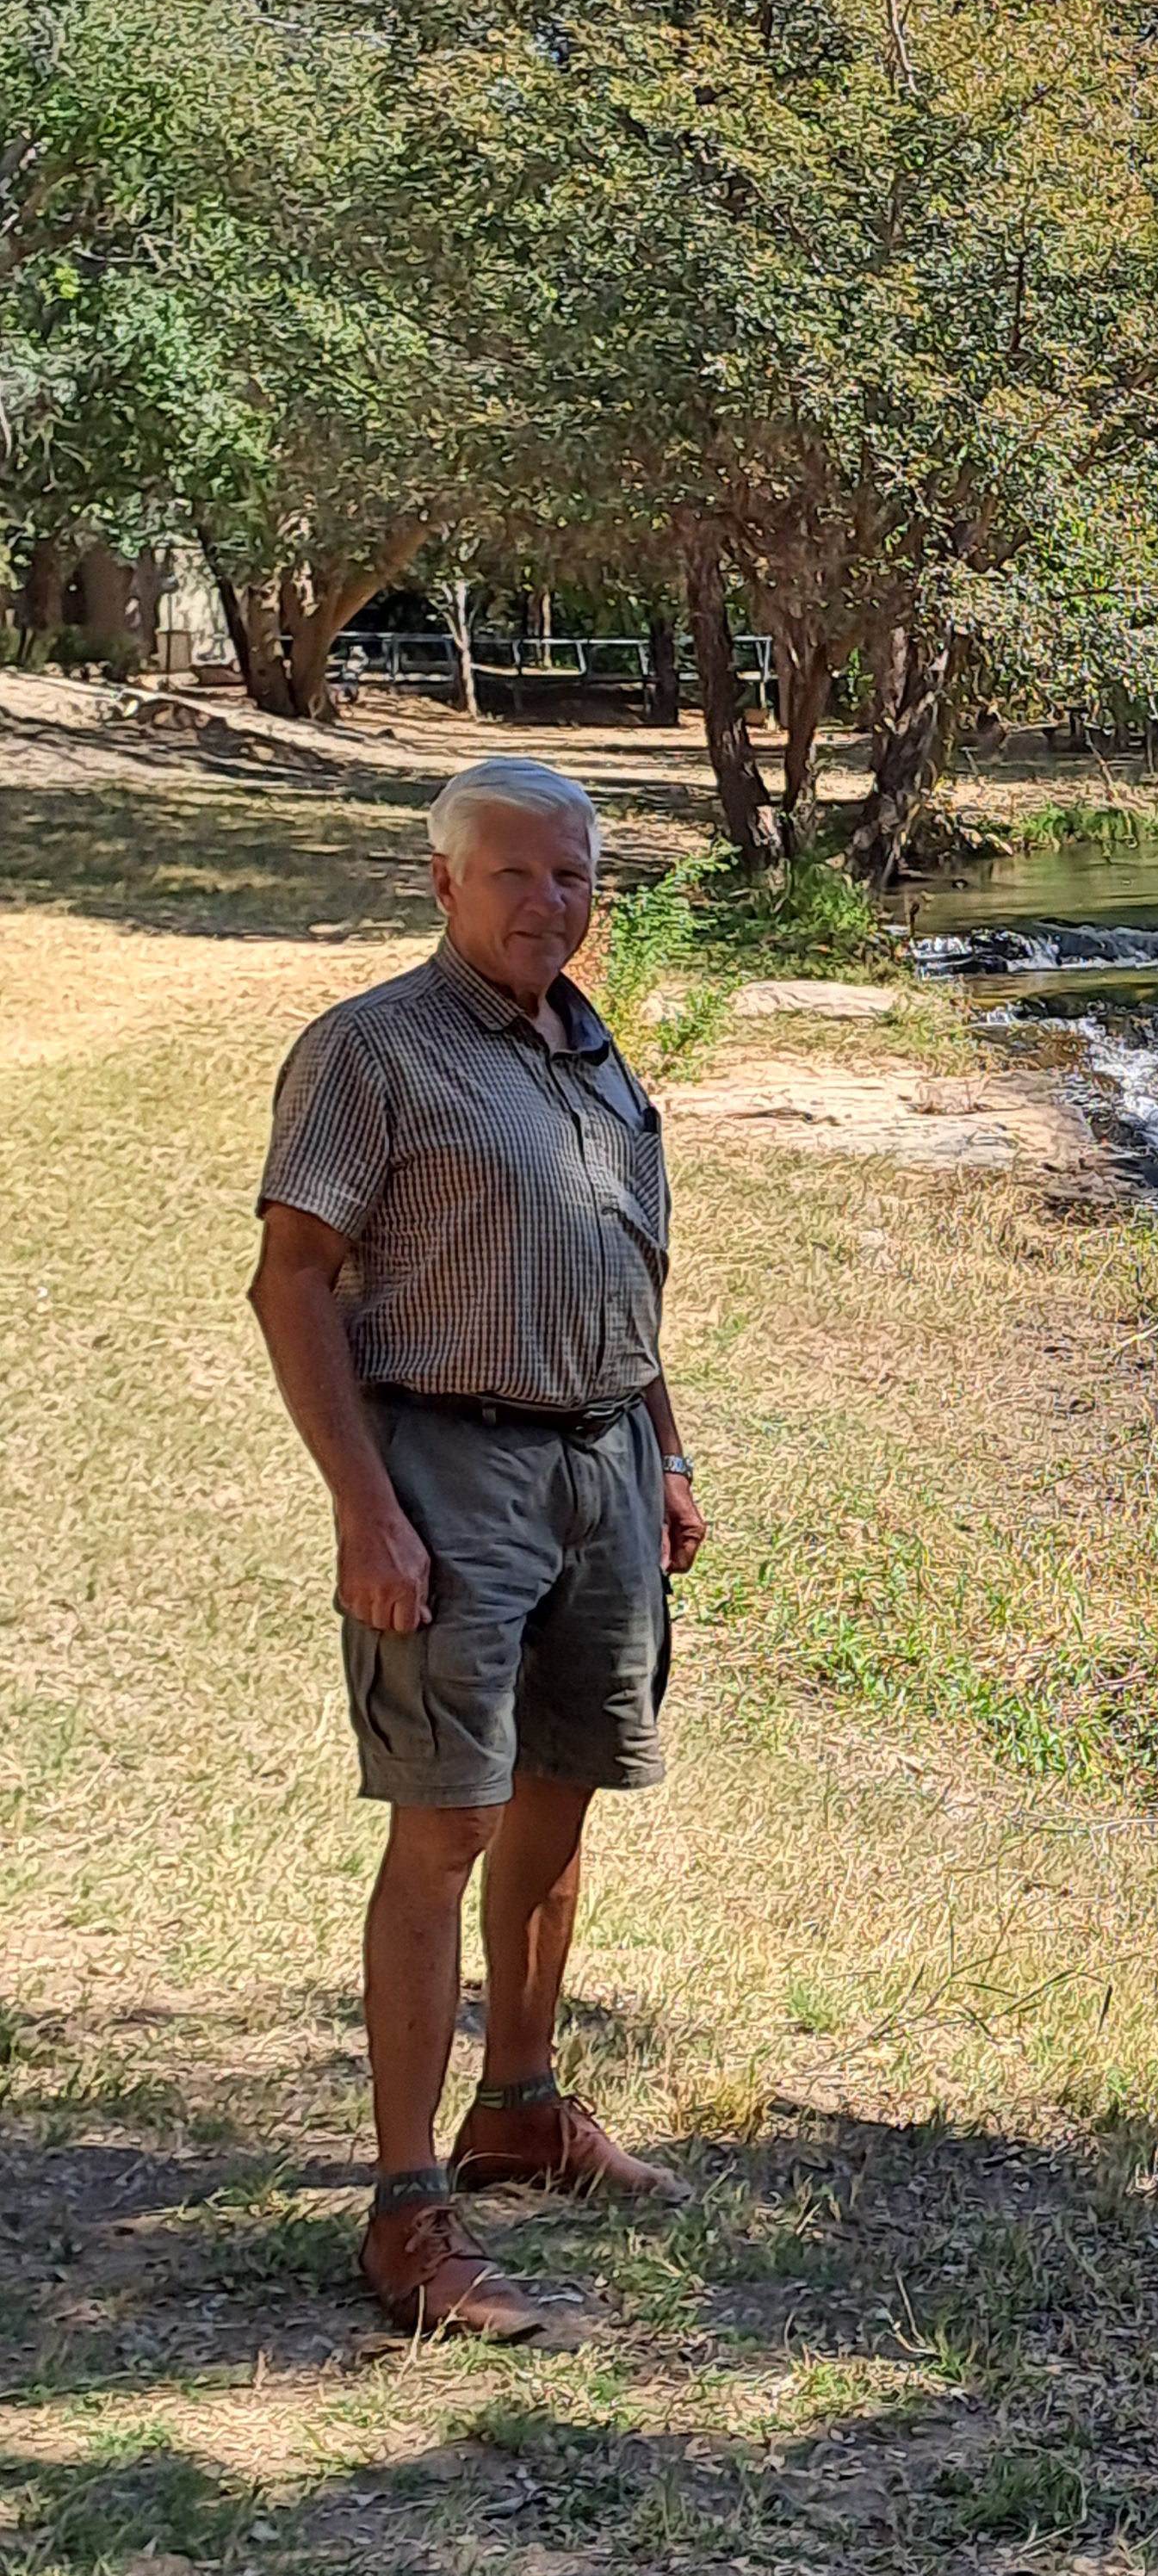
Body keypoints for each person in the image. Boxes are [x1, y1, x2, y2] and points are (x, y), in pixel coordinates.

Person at [249, 755, 708, 2338]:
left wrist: (665, 1452)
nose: (547, 902)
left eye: (571, 876)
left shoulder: (590, 1047)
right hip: (449, 1467)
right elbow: (291, 1281)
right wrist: (363, 1506)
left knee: (562, 1788)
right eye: (513, 874)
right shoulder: (374, 1049)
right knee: (445, 1821)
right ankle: (406, 2214)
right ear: (443, 881)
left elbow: (626, 1267)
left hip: (602, 1462)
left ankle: (518, 2106)